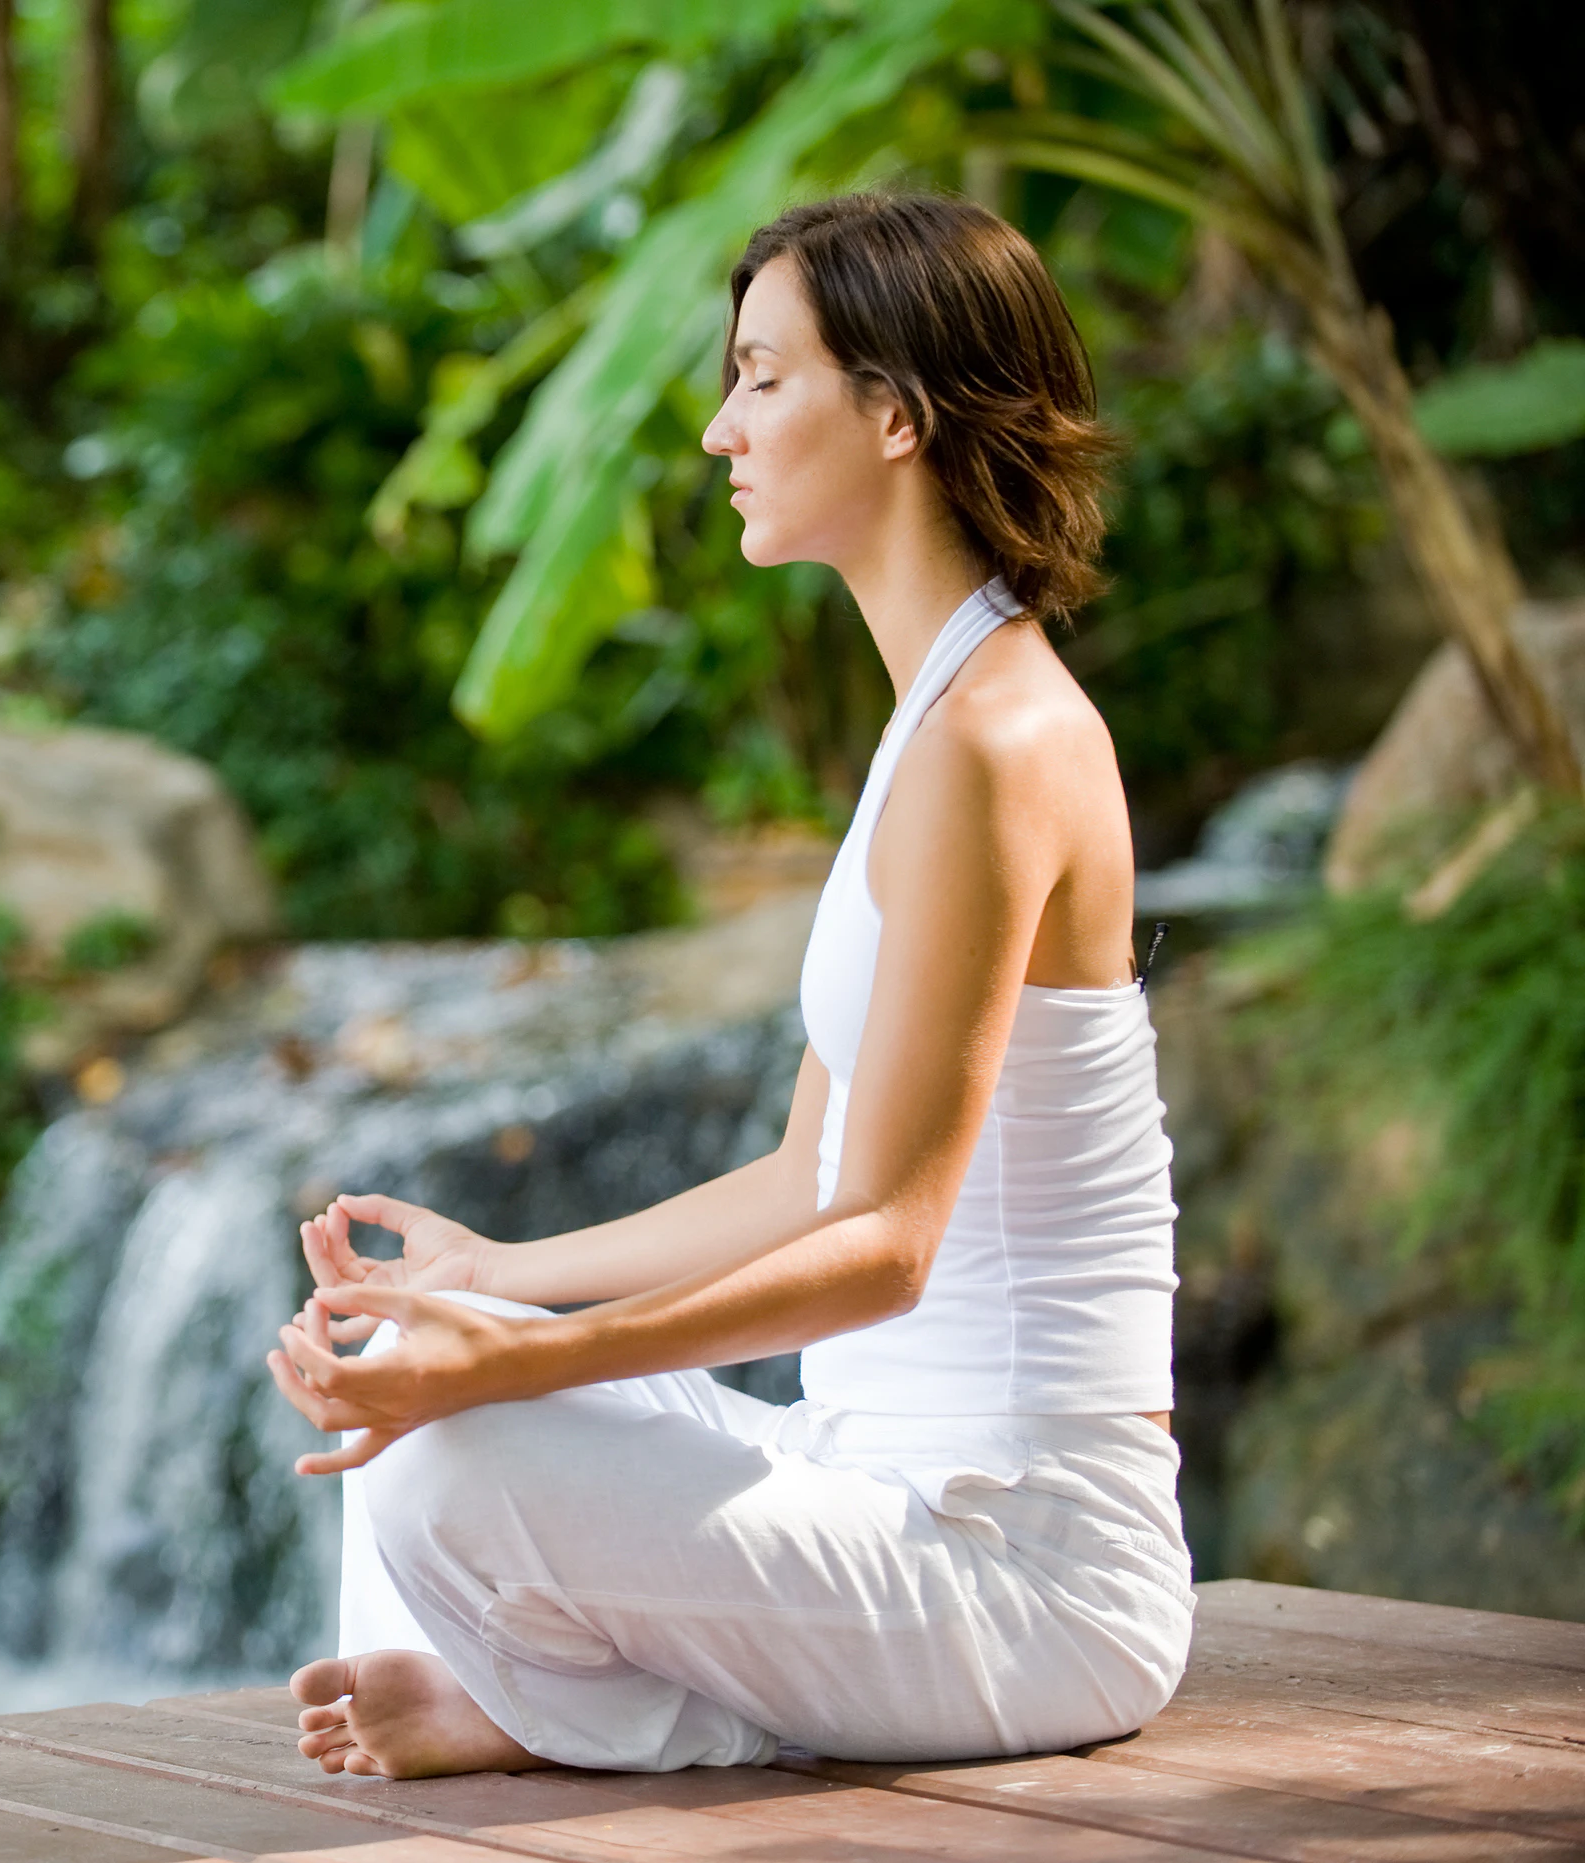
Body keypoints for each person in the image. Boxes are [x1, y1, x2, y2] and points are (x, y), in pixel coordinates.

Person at [262, 191, 1192, 1781]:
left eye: (764, 378)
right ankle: (542, 1703)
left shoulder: (997, 747)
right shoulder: (931, 724)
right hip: (872, 1492)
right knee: (407, 1364)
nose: (718, 429)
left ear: (896, 412)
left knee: (447, 1450)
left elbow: (884, 1248)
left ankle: (569, 1717)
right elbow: (802, 1179)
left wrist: (512, 1361)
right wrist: (500, 1275)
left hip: (1032, 1579)